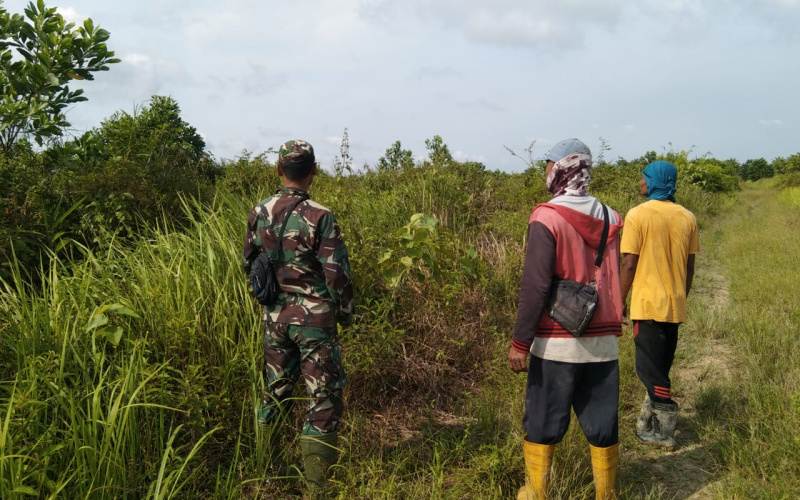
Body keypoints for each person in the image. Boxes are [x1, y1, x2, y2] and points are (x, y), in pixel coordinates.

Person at [509, 138, 624, 500]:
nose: (545, 170)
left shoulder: (546, 217)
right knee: (602, 422)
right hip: (603, 341)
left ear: (563, 168)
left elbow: (535, 286)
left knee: (544, 420)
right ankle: (605, 494)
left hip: (557, 341)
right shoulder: (611, 216)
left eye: (548, 164)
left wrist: (519, 343)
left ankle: (536, 492)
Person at [242, 139, 353, 496]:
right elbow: (336, 274)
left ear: (279, 171)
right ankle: (319, 489)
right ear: (313, 172)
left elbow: (250, 264)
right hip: (315, 321)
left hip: (274, 318)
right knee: (322, 398)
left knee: (275, 391)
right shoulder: (321, 215)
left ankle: (267, 473)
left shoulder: (259, 211)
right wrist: (346, 312)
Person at [620, 160, 699, 448]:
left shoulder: (637, 216)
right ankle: (646, 423)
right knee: (660, 367)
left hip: (647, 304)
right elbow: (689, 268)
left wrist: (617, 300)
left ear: (654, 181)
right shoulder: (687, 217)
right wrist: (681, 296)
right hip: (674, 305)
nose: (640, 183)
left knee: (647, 370)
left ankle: (665, 431)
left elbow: (629, 264)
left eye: (644, 178)